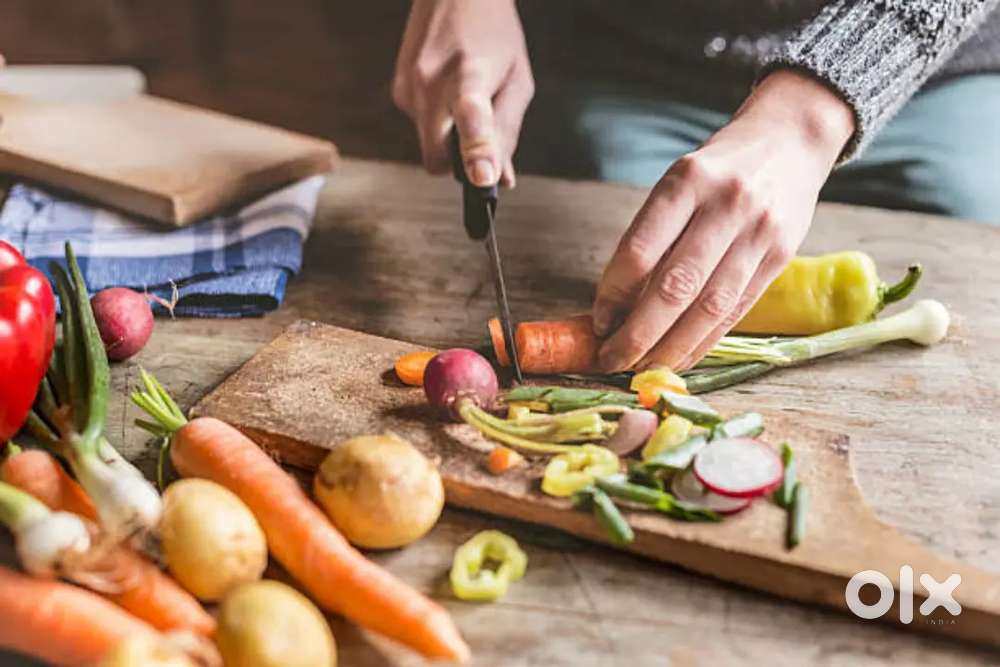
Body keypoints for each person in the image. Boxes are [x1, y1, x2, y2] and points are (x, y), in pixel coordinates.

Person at [391, 0, 1000, 372]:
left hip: (925, 70)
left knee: (974, 233)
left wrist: (808, 115)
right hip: (635, 62)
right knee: (631, 272)